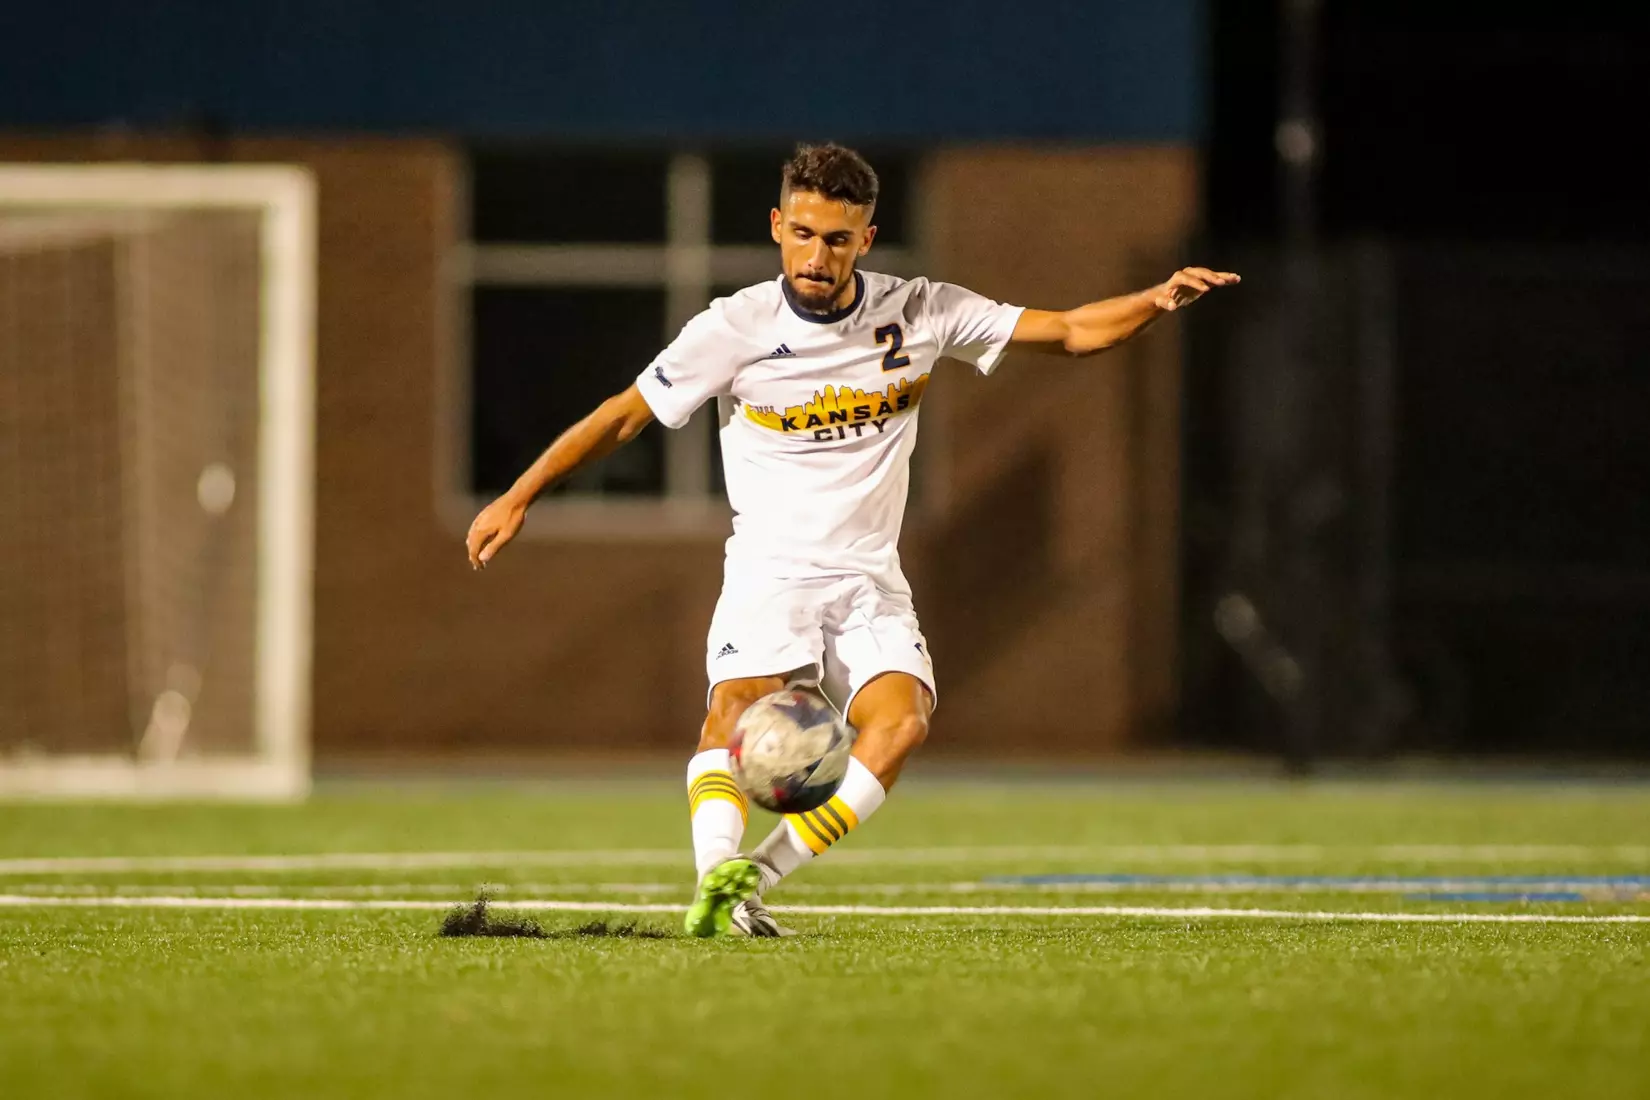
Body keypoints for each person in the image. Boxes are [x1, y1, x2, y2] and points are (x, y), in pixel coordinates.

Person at [466, 143, 1239, 937]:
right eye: (802, 232)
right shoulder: (734, 328)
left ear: (867, 239)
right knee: (733, 713)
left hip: (868, 580)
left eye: (837, 238)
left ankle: (756, 876)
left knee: (900, 725)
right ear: (776, 226)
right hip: (772, 573)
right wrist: (520, 496)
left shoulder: (921, 310)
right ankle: (713, 877)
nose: (816, 254)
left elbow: (1074, 331)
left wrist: (1156, 299)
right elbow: (624, 413)